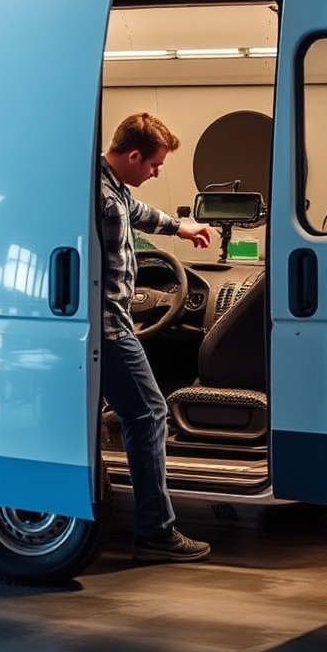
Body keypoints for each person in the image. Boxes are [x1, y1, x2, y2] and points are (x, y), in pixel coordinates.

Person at [100, 112, 215, 563]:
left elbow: (139, 212)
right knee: (149, 413)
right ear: (134, 156)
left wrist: (181, 227)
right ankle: (155, 531)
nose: (157, 172)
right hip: (109, 329)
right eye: (155, 164)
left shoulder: (108, 187)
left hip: (109, 325)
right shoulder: (104, 199)